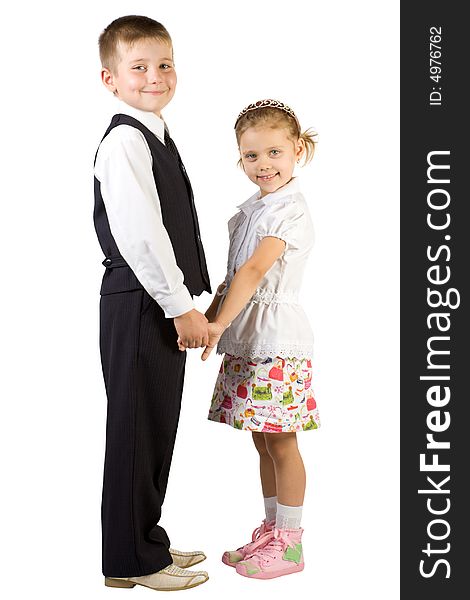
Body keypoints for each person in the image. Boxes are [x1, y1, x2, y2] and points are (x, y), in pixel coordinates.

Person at [93, 15, 211, 592]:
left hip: (154, 303)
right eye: (138, 67)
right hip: (141, 303)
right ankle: (131, 562)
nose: (154, 76)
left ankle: (145, 542)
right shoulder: (124, 140)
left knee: (153, 426)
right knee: (136, 429)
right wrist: (179, 305)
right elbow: (142, 235)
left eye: (163, 64)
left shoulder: (154, 131)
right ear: (109, 78)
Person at [198, 99, 320, 580]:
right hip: (250, 335)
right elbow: (233, 278)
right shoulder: (254, 208)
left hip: (275, 338)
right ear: (240, 158)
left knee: (282, 442)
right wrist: (211, 316)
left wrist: (218, 324)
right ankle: (272, 529)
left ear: (297, 151)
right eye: (252, 156)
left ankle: (291, 543)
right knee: (262, 440)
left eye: (274, 153)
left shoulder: (288, 209)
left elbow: (254, 270)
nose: (263, 165)